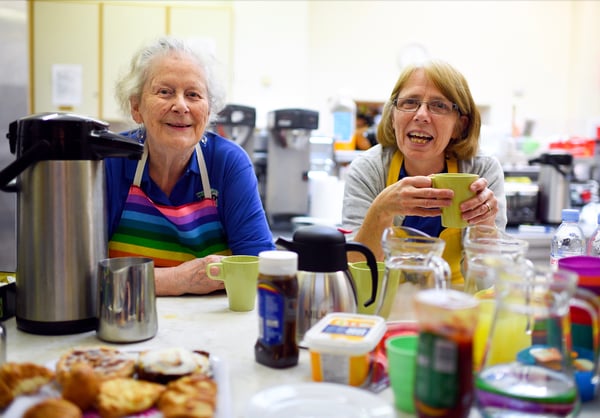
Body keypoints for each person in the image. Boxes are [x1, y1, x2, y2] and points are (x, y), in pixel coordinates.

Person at [106, 36, 275, 296]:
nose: (181, 106)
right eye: (165, 92)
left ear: (208, 111)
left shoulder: (228, 164)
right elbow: (80, 273)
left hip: (209, 329)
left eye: (193, 94)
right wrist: (177, 279)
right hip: (128, 320)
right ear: (136, 107)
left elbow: (262, 267)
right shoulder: (111, 161)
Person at [342, 59, 506, 286]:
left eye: (439, 105)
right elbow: (354, 273)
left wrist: (485, 226)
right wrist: (381, 211)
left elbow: (488, 283)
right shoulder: (369, 169)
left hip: (456, 306)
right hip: (384, 304)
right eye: (410, 102)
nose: (421, 115)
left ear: (460, 125)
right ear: (392, 115)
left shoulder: (481, 170)